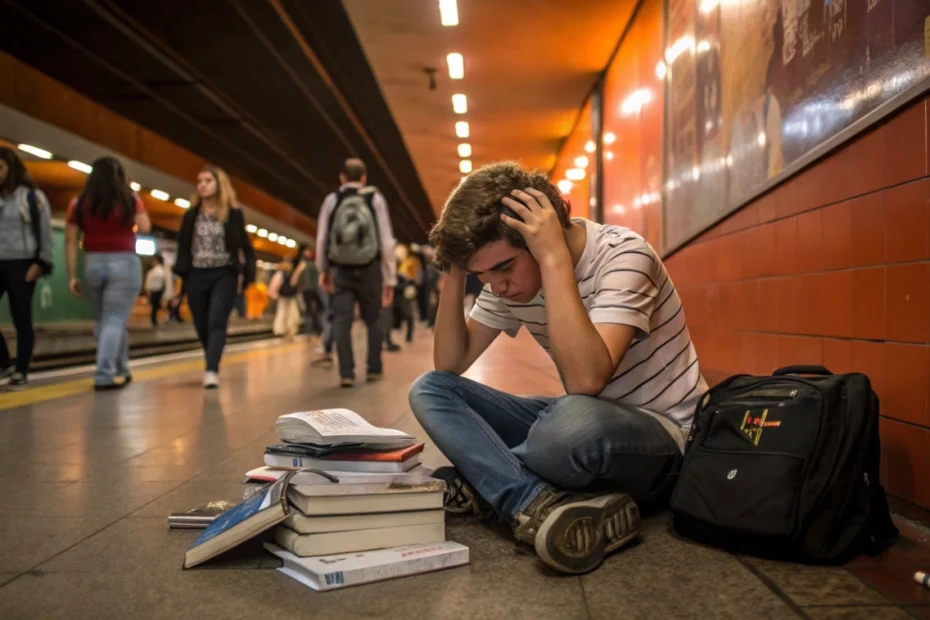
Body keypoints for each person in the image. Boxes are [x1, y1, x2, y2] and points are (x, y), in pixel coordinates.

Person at [409, 161, 706, 575]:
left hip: (663, 434)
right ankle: (535, 502)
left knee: (566, 428)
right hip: (581, 418)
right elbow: (450, 363)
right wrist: (455, 270)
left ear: (542, 233)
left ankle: (493, 483)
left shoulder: (623, 256)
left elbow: (587, 379)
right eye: (483, 274)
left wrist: (553, 260)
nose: (497, 285)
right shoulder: (509, 281)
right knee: (432, 389)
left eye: (504, 268)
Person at [65, 156, 150, 390]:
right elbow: (145, 226)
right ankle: (104, 374)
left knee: (106, 319)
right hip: (124, 262)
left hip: (92, 263)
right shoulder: (130, 198)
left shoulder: (79, 202)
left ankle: (122, 368)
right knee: (114, 319)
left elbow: (71, 240)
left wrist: (72, 274)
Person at [315, 158, 396, 388]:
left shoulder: (332, 200)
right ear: (364, 177)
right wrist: (390, 278)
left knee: (342, 321)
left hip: (341, 270)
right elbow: (386, 240)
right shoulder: (375, 199)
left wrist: (324, 270)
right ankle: (373, 369)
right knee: (373, 320)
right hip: (370, 269)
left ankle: (346, 373)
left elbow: (322, 238)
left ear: (341, 178)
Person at [173, 165, 256, 389]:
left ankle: (211, 369)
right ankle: (214, 352)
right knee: (201, 324)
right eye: (199, 181)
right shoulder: (191, 215)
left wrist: (247, 277)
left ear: (220, 185)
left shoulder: (233, 214)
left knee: (217, 321)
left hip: (224, 275)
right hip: (196, 275)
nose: (202, 185)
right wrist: (181, 280)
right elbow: (183, 247)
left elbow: (246, 247)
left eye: (208, 180)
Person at [0, 147, 53, 388]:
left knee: (21, 317)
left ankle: (20, 369)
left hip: (23, 263)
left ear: (11, 168)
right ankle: (4, 362)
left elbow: (45, 232)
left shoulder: (32, 197)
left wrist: (41, 263)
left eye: (0, 168)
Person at [269, 259, 302, 341]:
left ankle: (282, 330)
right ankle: (290, 331)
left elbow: (274, 285)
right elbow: (295, 283)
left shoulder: (280, 274)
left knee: (282, 313)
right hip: (291, 297)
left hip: (282, 297)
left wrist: (273, 294)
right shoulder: (292, 274)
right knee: (292, 314)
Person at [144, 254, 167, 327]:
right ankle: (154, 320)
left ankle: (154, 320)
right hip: (157, 290)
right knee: (155, 306)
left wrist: (148, 290)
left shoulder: (156, 271)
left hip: (156, 290)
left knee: (155, 306)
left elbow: (149, 282)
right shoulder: (159, 270)